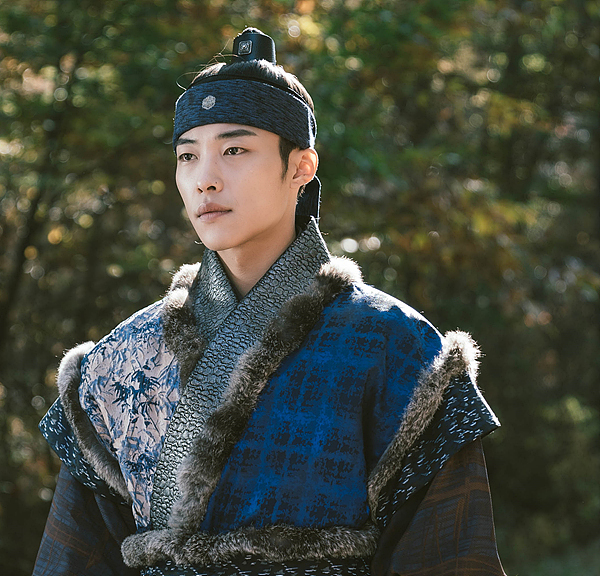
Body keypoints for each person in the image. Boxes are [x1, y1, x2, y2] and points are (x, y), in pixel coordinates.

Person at [34, 28, 505, 576]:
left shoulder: (394, 346)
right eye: (188, 156)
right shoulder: (122, 358)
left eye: (234, 150)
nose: (205, 180)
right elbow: (74, 559)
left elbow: (450, 558)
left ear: (301, 167)